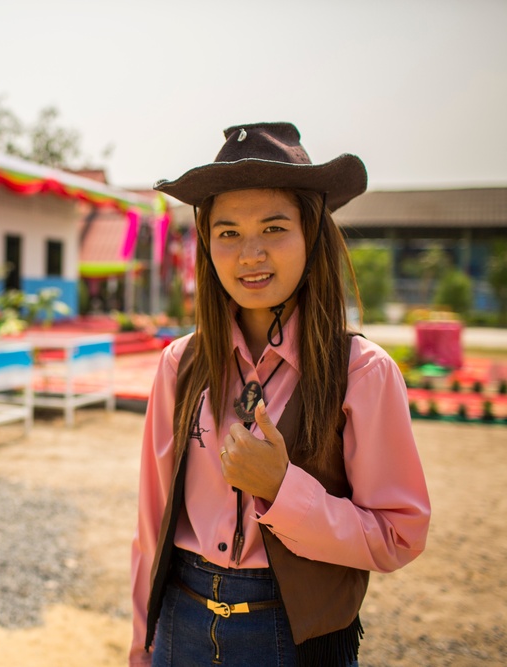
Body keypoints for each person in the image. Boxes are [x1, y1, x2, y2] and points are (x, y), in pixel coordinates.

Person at [129, 122, 430, 667]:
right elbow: (153, 520)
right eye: (227, 233)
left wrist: (283, 490)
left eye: (273, 228)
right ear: (206, 242)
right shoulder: (180, 363)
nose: (250, 254)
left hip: (292, 637)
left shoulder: (362, 373)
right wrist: (141, 637)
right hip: (181, 622)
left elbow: (400, 534)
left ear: (311, 233)